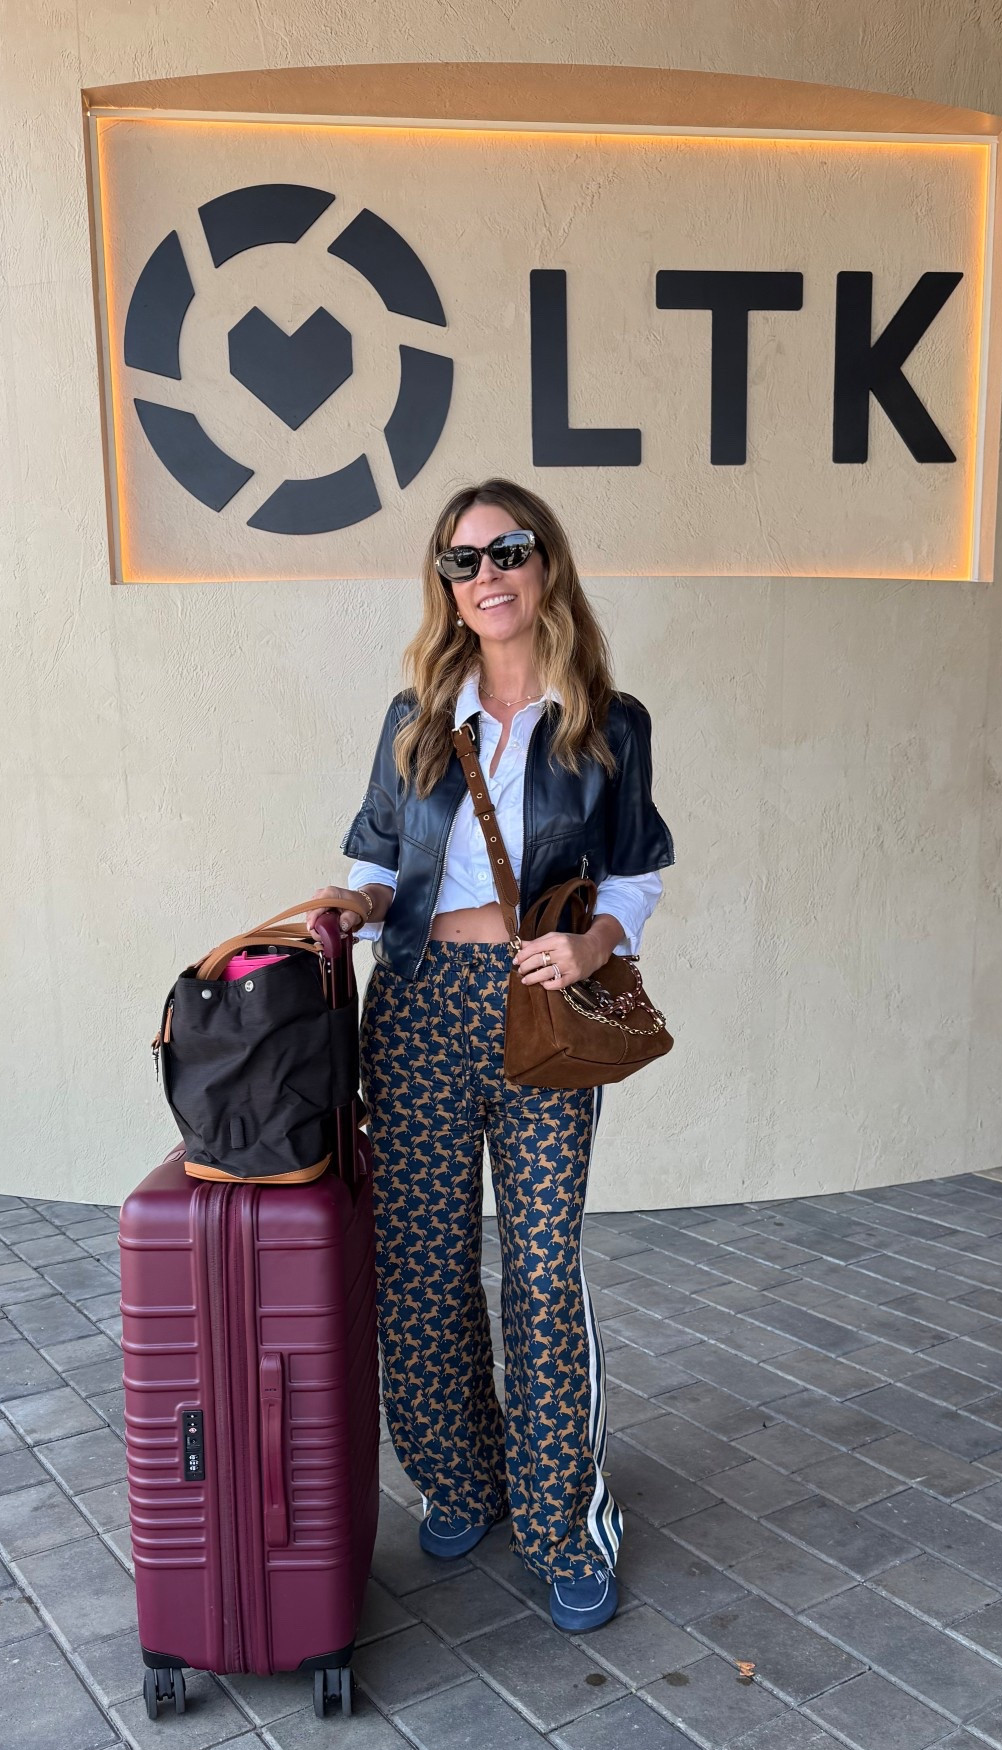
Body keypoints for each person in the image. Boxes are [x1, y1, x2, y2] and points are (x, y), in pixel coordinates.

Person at [313, 479, 673, 1633]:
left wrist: (592, 942)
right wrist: (354, 903)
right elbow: (379, 858)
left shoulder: (607, 720)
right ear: (447, 585)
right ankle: (461, 1477)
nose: (486, 575)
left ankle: (565, 1519)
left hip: (540, 1007)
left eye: (505, 550)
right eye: (461, 561)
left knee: (543, 1271)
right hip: (418, 1004)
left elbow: (638, 869)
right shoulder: (418, 714)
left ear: (544, 562)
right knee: (420, 1262)